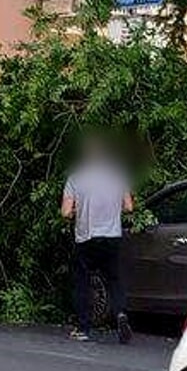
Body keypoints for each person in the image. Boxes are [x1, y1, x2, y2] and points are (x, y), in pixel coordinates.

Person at [62, 138, 134, 343]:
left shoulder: (75, 179)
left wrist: (77, 211)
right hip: (112, 236)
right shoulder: (117, 176)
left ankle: (83, 328)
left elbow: (65, 212)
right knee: (114, 279)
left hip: (86, 237)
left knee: (82, 282)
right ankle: (121, 313)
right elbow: (129, 207)